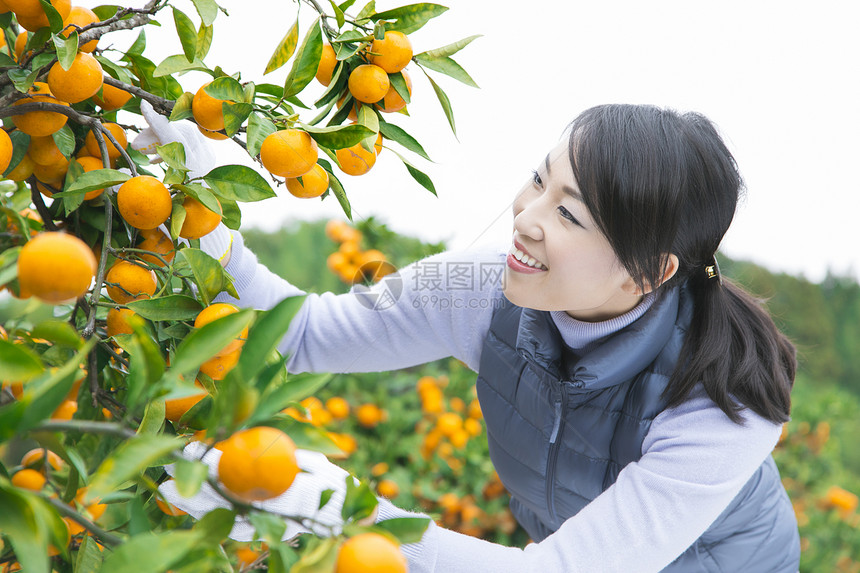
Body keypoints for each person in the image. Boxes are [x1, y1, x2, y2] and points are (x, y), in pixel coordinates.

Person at [151, 103, 800, 572]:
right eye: (541, 180)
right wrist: (204, 211)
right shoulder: (484, 289)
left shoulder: (721, 405)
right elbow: (300, 334)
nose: (526, 218)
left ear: (649, 271)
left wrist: (336, 507)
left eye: (569, 213)